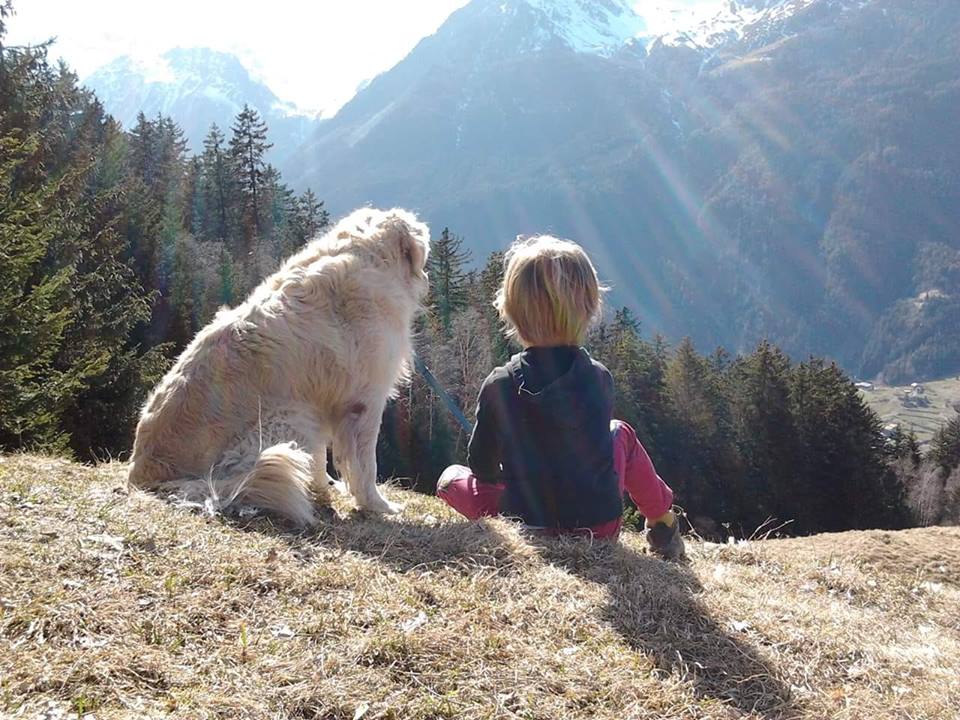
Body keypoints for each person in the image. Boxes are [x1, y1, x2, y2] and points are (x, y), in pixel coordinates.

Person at [436, 235, 684, 559]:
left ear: (510, 309)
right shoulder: (599, 378)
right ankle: (662, 522)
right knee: (620, 432)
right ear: (589, 307)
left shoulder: (499, 384)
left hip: (523, 524)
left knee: (451, 479)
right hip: (601, 528)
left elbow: (482, 469)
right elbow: (596, 453)